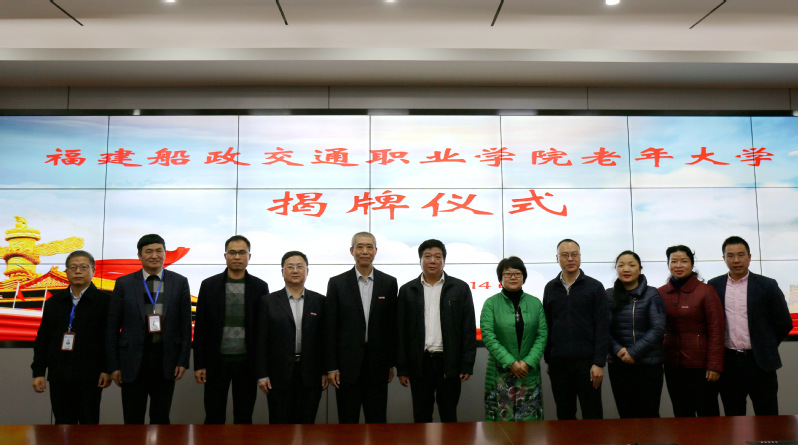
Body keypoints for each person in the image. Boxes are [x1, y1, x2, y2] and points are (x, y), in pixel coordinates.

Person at [106, 234, 193, 424]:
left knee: (161, 418)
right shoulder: (124, 283)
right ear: (139, 255)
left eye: (159, 251)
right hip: (131, 361)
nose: (154, 255)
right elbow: (112, 327)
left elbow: (185, 326)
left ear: (165, 253)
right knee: (132, 419)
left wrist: (182, 361)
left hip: (165, 361)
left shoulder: (179, 282)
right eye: (148, 251)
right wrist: (114, 365)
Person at [707, 236, 792, 416]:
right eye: (730, 256)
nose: (736, 260)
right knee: (734, 417)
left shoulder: (767, 285)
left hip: (760, 363)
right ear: (724, 258)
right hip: (729, 363)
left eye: (741, 255)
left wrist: (765, 344)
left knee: (767, 416)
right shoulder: (714, 285)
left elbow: (784, 322)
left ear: (749, 257)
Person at [397, 239, 477, 423]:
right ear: (420, 260)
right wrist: (402, 367)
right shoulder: (408, 290)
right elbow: (401, 332)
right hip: (420, 363)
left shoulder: (460, 288)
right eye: (427, 256)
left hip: (448, 363)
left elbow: (468, 328)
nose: (432, 261)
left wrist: (466, 364)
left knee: (449, 415)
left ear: (444, 261)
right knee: (421, 416)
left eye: (437, 257)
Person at [193, 235, 269, 424]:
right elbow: (200, 327)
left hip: (247, 363)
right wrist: (199, 364)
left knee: (244, 416)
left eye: (242, 252)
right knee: (213, 416)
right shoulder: (209, 285)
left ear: (249, 256)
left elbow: (263, 331)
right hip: (215, 362)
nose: (237, 257)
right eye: (232, 252)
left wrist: (262, 367)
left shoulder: (260, 287)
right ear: (225, 256)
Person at [325, 232, 398, 423]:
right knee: (347, 422)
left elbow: (391, 327)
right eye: (360, 247)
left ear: (375, 251)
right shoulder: (337, 283)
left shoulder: (389, 283)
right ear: (352, 251)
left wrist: (390, 363)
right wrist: (332, 366)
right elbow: (331, 328)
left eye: (369, 247)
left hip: (378, 365)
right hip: (346, 367)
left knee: (377, 422)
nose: (365, 251)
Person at [31, 250, 111, 424]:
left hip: (91, 375)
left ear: (93, 270)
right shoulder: (53, 302)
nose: (78, 271)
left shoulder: (106, 302)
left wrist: (107, 369)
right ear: (66, 271)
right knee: (62, 425)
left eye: (83, 267)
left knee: (89, 425)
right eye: (73, 267)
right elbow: (43, 340)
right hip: (59, 374)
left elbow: (110, 339)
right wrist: (38, 372)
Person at [256, 251, 327, 424]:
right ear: (282, 272)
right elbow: (260, 341)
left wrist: (325, 370)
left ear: (307, 271)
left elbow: (325, 340)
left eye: (300, 266)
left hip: (311, 374)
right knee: (280, 426)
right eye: (290, 267)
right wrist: (262, 374)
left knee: (307, 424)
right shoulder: (268, 302)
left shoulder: (320, 301)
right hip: (278, 374)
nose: (295, 270)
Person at [543, 239, 610, 420]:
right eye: (565, 255)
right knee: (564, 415)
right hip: (559, 364)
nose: (570, 259)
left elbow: (603, 327)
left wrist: (599, 362)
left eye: (574, 254)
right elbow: (547, 325)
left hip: (588, 364)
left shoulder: (595, 287)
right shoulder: (550, 288)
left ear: (580, 257)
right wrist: (549, 359)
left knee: (592, 414)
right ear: (557, 258)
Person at [659, 244, 724, 417]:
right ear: (668, 264)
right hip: (672, 363)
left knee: (707, 414)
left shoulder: (706, 291)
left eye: (684, 261)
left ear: (692, 264)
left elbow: (717, 330)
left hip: (701, 365)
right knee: (681, 413)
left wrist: (714, 365)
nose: (678, 265)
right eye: (674, 261)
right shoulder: (661, 293)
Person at [481, 256, 547, 421]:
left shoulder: (535, 303)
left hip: (527, 372)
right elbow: (488, 336)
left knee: (529, 423)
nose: (513, 277)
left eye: (517, 273)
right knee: (501, 424)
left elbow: (542, 335)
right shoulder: (491, 303)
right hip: (500, 372)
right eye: (508, 273)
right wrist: (511, 362)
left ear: (524, 276)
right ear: (500, 277)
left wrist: (527, 362)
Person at [606, 250, 666, 419]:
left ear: (640, 269)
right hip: (619, 365)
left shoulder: (652, 293)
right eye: (621, 265)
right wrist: (619, 351)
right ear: (616, 269)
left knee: (649, 415)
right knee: (626, 415)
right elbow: (603, 329)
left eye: (631, 265)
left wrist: (633, 352)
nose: (626, 269)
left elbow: (658, 328)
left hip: (648, 365)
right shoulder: (609, 295)